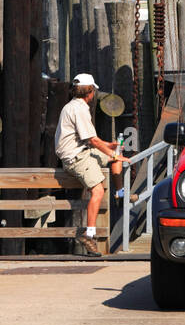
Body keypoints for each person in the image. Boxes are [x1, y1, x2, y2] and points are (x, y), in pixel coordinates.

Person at [55, 72, 129, 256]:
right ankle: (89, 234)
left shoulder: (71, 106)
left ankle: (120, 194)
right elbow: (92, 140)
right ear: (89, 92)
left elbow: (91, 140)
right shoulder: (80, 109)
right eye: (93, 90)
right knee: (98, 190)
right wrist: (111, 152)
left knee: (116, 154)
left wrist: (111, 148)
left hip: (81, 151)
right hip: (76, 157)